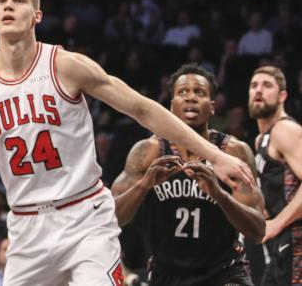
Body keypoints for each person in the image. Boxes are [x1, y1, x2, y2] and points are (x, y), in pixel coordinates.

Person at [0, 0, 254, 286]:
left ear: (37, 15)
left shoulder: (65, 65)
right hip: (26, 227)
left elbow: (142, 108)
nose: (8, 5)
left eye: (18, 1)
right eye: (1, 1)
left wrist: (215, 155)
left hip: (85, 216)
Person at [112, 63, 264, 284]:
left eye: (199, 92)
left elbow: (257, 230)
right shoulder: (148, 151)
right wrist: (144, 185)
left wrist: (220, 195)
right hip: (167, 273)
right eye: (183, 92)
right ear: (172, 105)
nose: (191, 97)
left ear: (212, 107)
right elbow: (112, 217)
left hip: (223, 271)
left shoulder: (233, 152)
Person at [249, 66, 302, 285]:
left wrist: (277, 222)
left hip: (296, 243)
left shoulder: (285, 130)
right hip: (279, 247)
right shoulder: (261, 140)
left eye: (267, 85)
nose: (258, 91)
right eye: (254, 86)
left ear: (282, 96)